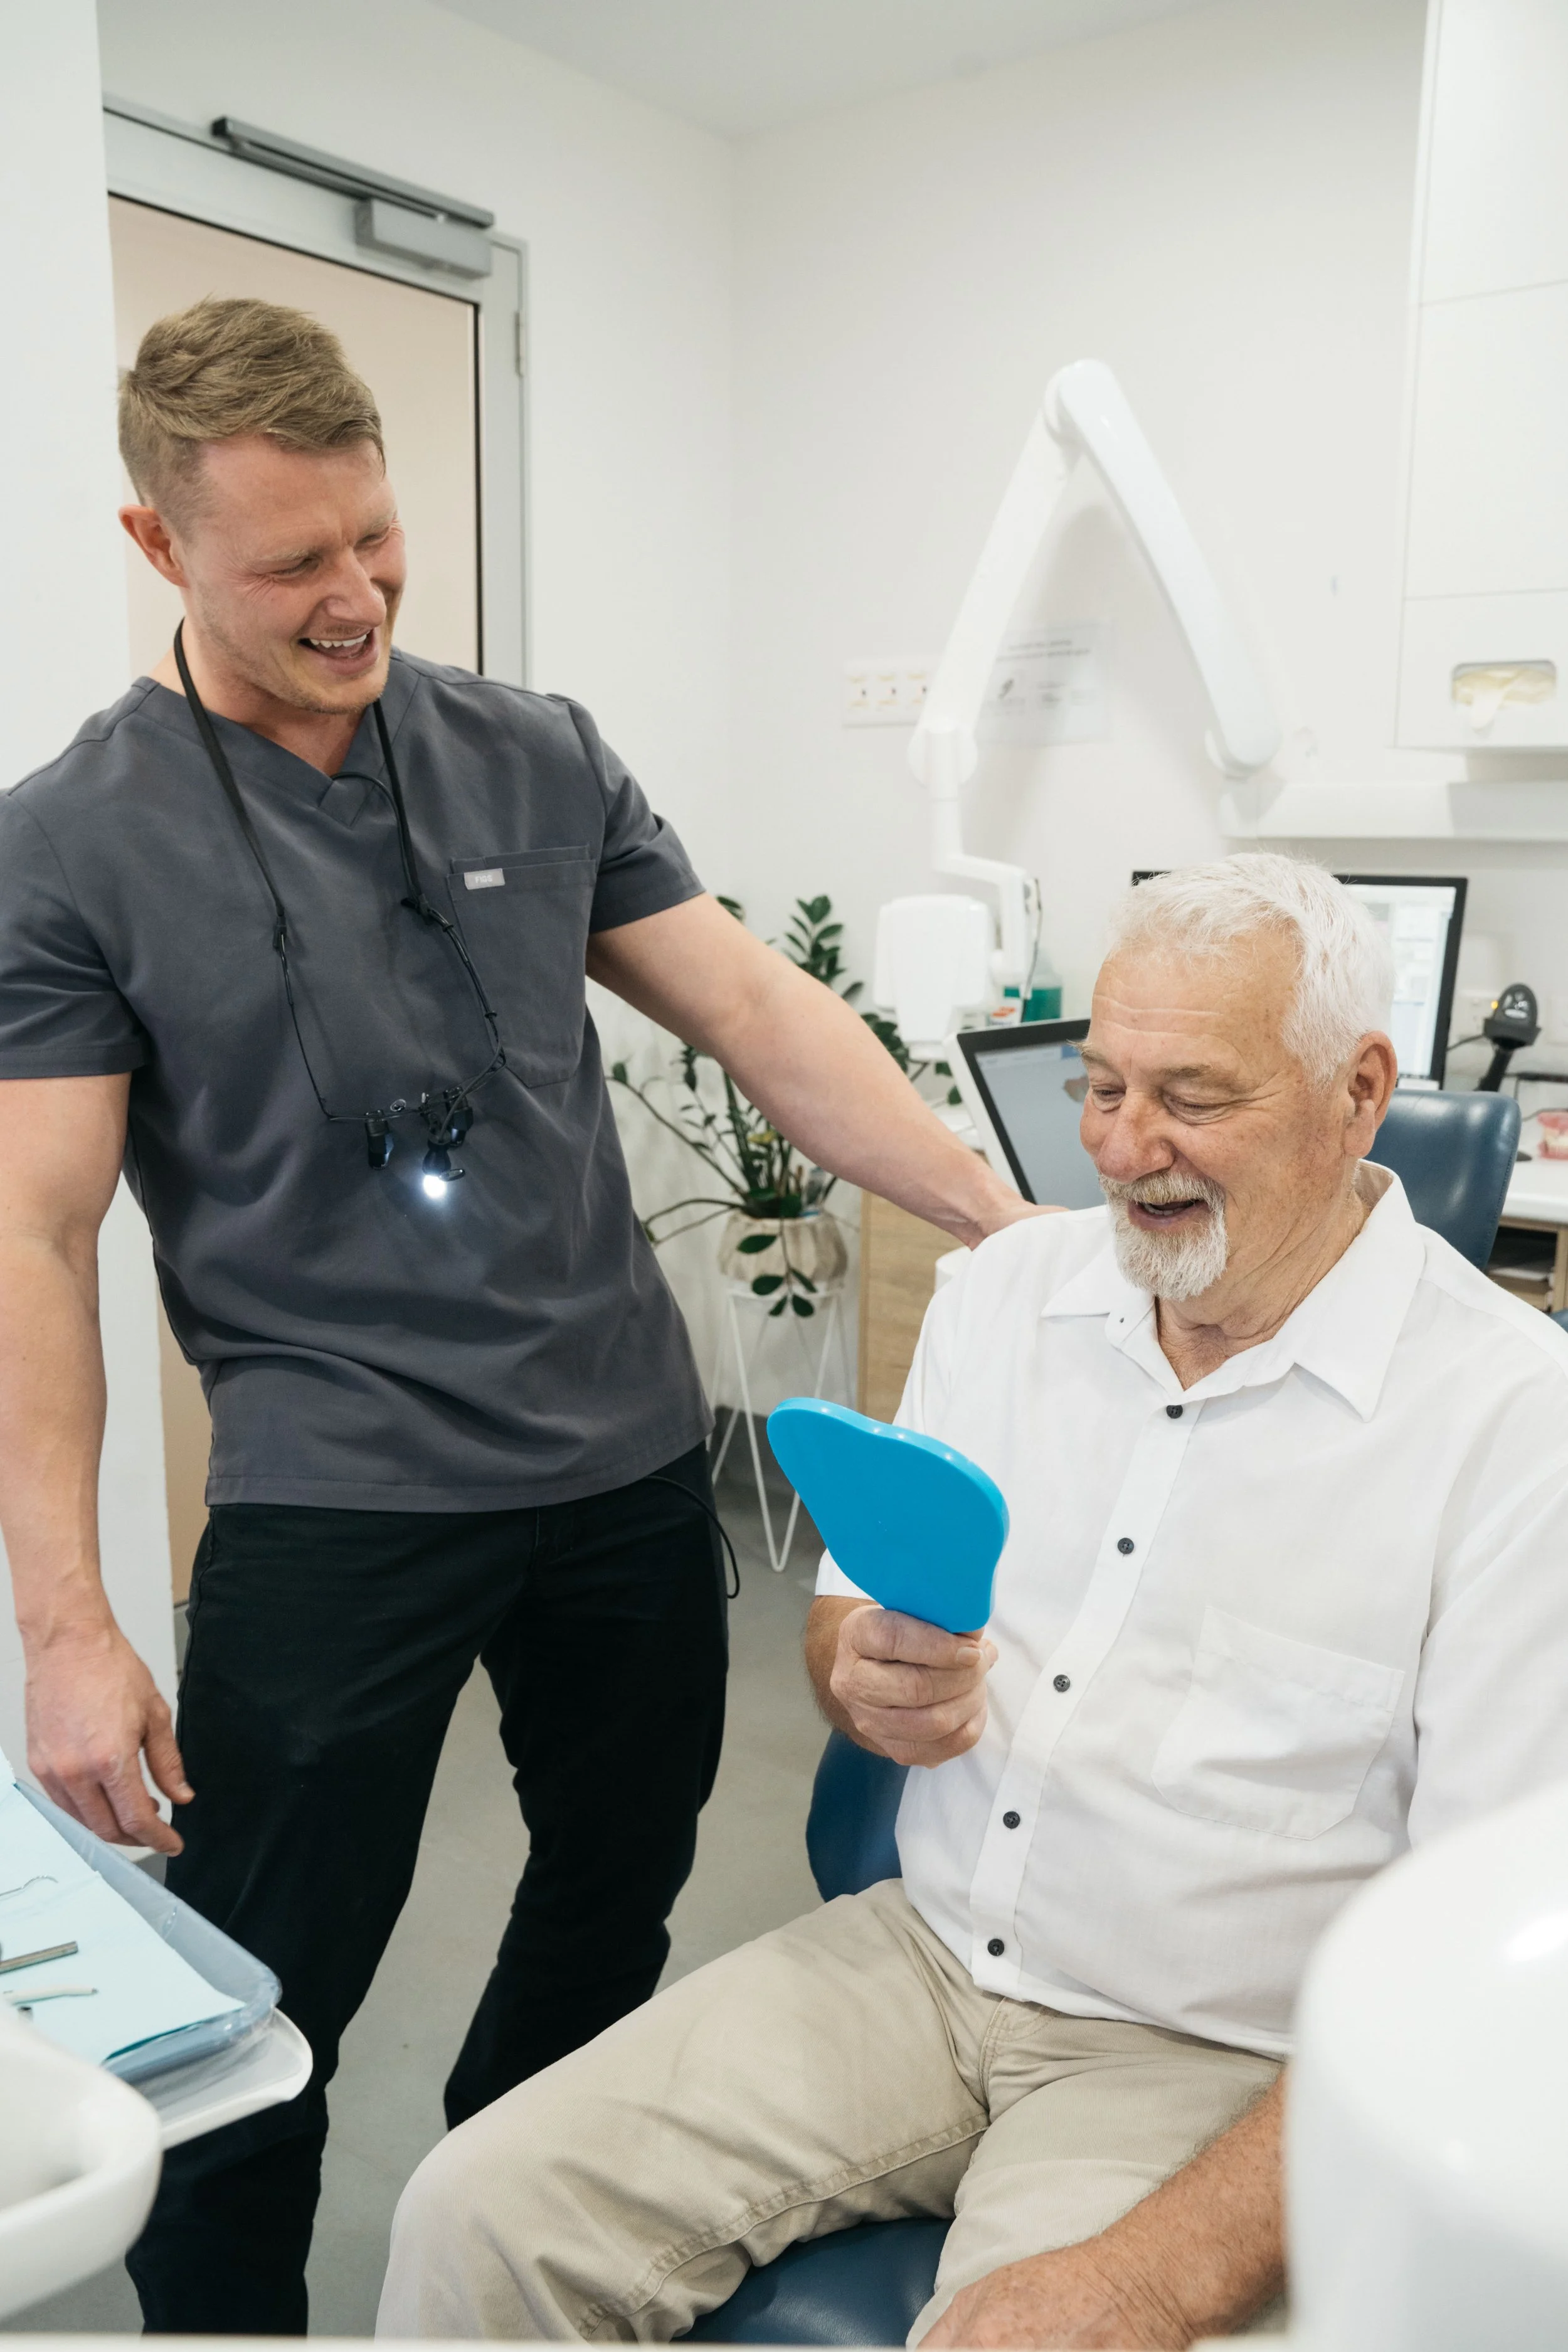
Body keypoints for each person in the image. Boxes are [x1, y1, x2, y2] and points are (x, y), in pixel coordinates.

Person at [0, 296, 1033, 2336]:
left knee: (614, 1881)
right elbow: (34, 1236)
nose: (354, 594)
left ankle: (502, 2200)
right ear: (158, 547)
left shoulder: (534, 753)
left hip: (623, 1470)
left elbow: (751, 1011)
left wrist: (1004, 1222)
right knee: (261, 1991)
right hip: (338, 1495)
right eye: (293, 561)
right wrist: (66, 1625)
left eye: (374, 539)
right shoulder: (71, 845)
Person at [379, 855, 1568, 2347]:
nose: (1123, 1148)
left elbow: (1467, 1972)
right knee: (472, 2212)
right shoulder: (1008, 1297)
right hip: (920, 1958)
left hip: (1211, 2058)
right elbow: (844, 1614)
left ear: (1356, 1090)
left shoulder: (1514, 1432)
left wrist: (1137, 2279)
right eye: (1099, 1086)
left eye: (1190, 1098)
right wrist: (860, 1668)